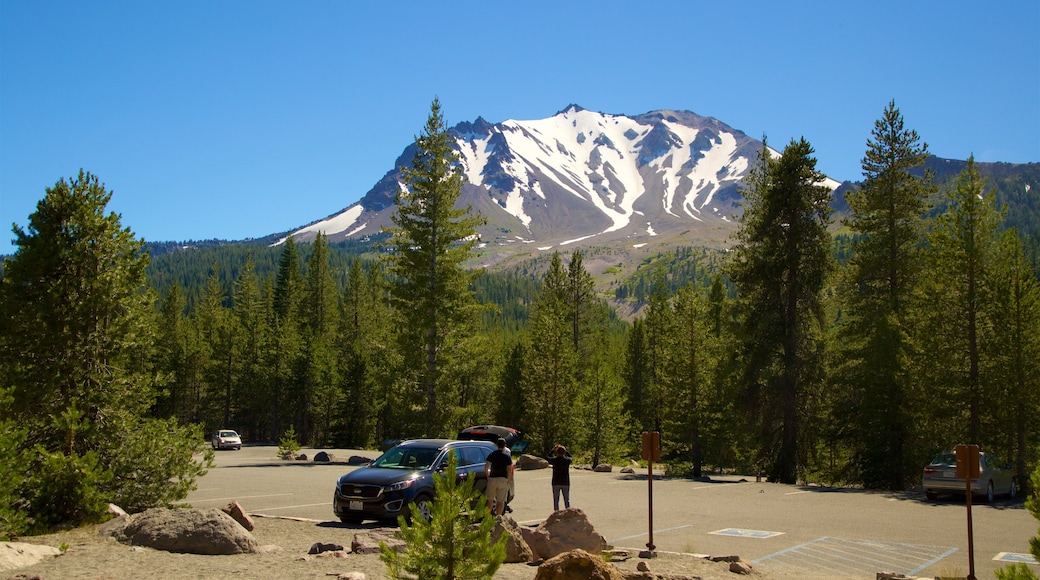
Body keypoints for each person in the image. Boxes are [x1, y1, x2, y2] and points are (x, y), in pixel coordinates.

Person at [484, 437, 513, 516]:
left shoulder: (493, 454)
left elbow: (486, 466)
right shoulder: (507, 456)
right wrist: (508, 480)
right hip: (502, 479)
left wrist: (488, 475)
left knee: (489, 499)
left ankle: (487, 516)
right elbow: (509, 470)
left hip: (493, 478)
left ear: (497, 445)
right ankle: (498, 517)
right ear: (505, 446)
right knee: (500, 500)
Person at [547, 444, 572, 510]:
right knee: (566, 499)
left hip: (556, 481)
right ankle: (568, 512)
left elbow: (547, 457)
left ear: (557, 453)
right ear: (564, 453)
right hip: (565, 482)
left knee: (556, 499)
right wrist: (566, 451)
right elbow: (571, 457)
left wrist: (553, 450)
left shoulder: (554, 460)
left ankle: (556, 513)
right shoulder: (567, 461)